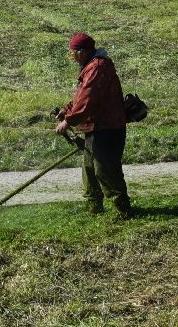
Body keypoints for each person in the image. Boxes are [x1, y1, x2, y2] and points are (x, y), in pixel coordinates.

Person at [55, 32, 132, 218]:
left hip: (108, 128)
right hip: (95, 128)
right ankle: (94, 210)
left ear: (83, 51)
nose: (72, 58)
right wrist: (66, 110)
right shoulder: (90, 66)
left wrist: (68, 121)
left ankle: (124, 211)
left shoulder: (98, 68)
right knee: (89, 171)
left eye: (73, 53)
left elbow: (87, 101)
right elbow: (82, 97)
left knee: (105, 171)